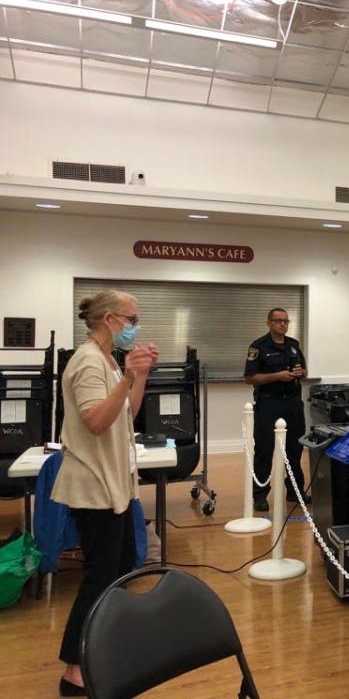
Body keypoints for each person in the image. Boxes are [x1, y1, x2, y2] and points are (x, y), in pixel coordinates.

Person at [53, 290, 159, 697]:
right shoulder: (86, 362)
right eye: (131, 319)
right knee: (99, 577)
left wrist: (139, 374)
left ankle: (99, 645)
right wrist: (129, 375)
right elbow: (96, 421)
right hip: (92, 487)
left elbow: (126, 412)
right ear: (110, 319)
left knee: (115, 572)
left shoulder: (108, 360)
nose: (136, 326)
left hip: (112, 483)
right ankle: (73, 670)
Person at [244, 307, 308, 513]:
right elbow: (250, 378)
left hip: (292, 403)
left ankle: (295, 491)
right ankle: (260, 495)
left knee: (295, 450)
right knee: (264, 450)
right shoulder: (258, 347)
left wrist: (300, 372)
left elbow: (304, 372)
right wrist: (276, 376)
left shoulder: (293, 345)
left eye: (285, 321)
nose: (282, 324)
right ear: (269, 323)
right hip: (269, 403)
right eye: (278, 321)